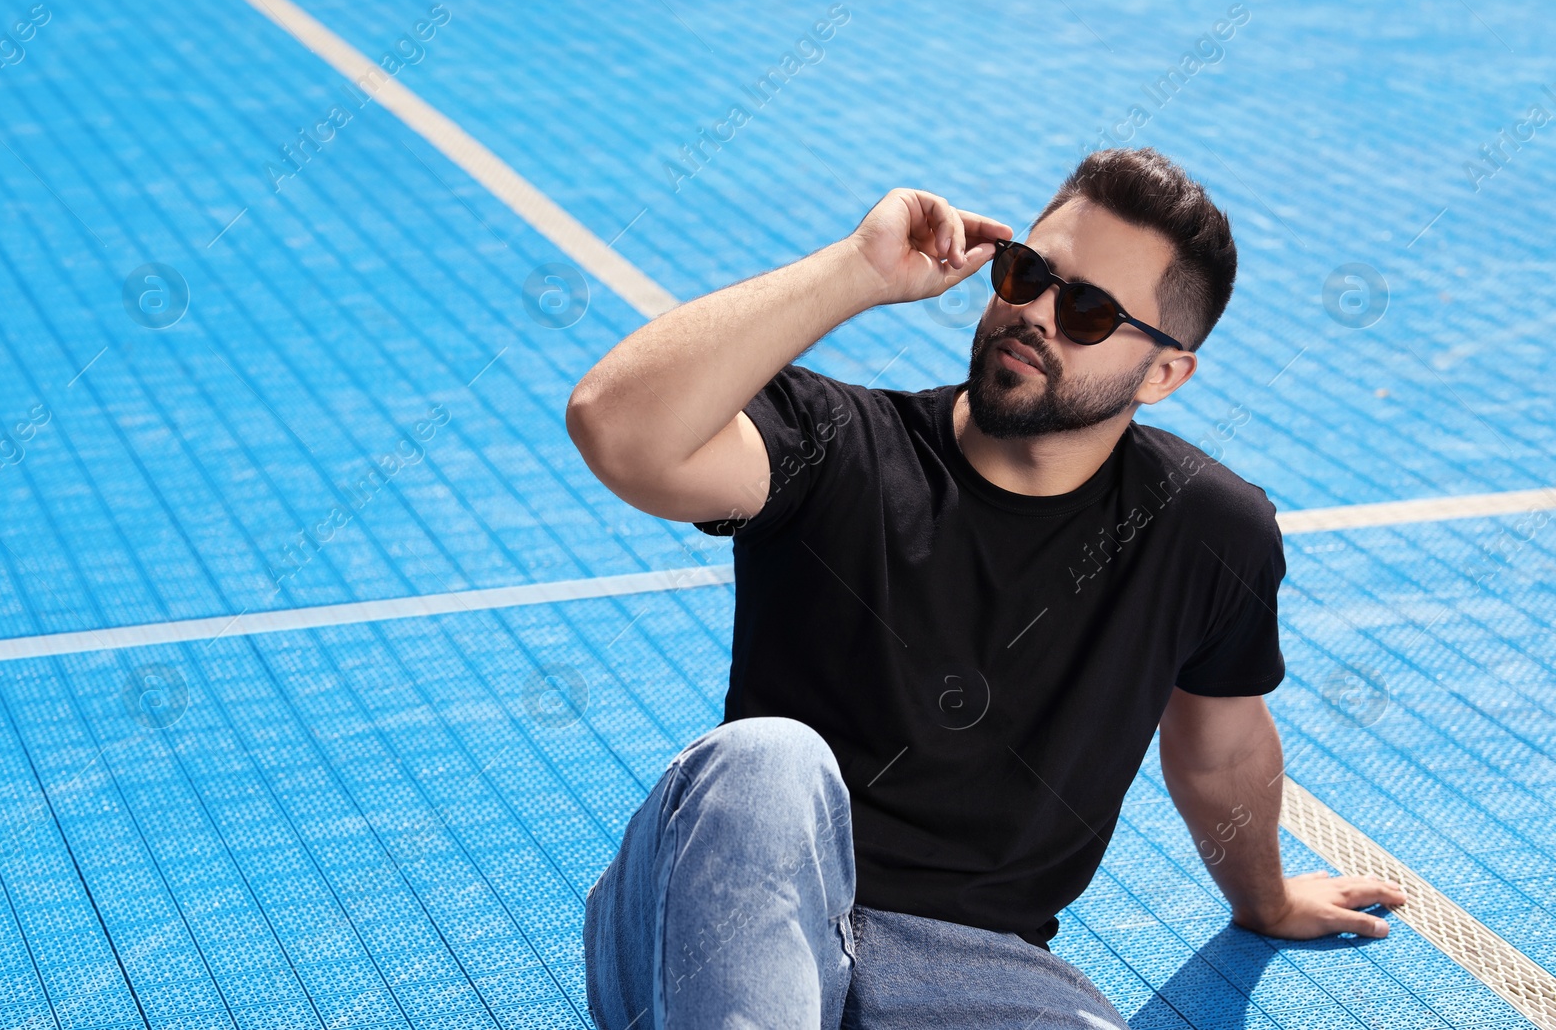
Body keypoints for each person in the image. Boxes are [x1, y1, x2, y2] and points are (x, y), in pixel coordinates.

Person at [565, 147, 1407, 1029]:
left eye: (1086, 309)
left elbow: (1219, 747)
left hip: (969, 966)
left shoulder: (1207, 531)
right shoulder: (837, 445)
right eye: (1026, 272)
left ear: (1164, 372)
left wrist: (1265, 899)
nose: (1036, 312)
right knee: (768, 758)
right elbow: (617, 428)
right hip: (724, 914)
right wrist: (855, 271)